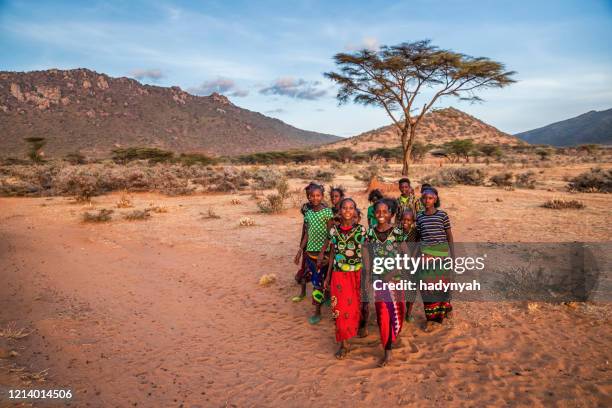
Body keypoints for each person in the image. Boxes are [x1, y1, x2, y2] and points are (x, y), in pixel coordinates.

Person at [364, 198, 407, 367]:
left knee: (398, 311)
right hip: (378, 281)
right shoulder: (370, 233)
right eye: (378, 212)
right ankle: (387, 351)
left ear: (391, 214)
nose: (381, 215)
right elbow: (366, 256)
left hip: (395, 280)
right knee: (383, 315)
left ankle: (393, 335)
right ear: (374, 214)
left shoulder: (397, 233)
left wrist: (393, 273)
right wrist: (367, 277)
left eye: (385, 212)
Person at [323, 198, 366, 359]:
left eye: (351, 208)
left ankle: (353, 333)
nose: (348, 211)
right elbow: (332, 253)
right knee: (339, 310)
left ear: (355, 211)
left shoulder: (362, 231)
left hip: (357, 274)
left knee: (354, 308)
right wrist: (328, 276)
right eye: (344, 208)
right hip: (339, 274)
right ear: (339, 210)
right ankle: (344, 344)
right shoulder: (334, 231)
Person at [415, 186, 454, 331]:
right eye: (424, 198)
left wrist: (453, 255)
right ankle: (431, 318)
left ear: (435, 199)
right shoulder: (419, 216)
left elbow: (449, 235)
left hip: (441, 254)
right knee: (427, 288)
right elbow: (418, 237)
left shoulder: (442, 215)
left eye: (430, 198)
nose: (427, 200)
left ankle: (442, 313)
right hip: (426, 256)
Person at [294, 184, 334, 324]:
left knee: (324, 281)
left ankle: (321, 305)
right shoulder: (308, 214)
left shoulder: (328, 212)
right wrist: (300, 251)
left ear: (322, 196)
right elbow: (307, 234)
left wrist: (323, 252)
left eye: (318, 195)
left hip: (325, 255)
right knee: (317, 283)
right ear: (308, 197)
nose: (315, 198)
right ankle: (317, 311)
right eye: (312, 195)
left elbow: (330, 235)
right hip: (310, 255)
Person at [293, 183, 320, 302]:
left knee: (320, 271)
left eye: (315, 194)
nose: (312, 197)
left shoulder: (324, 208)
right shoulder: (305, 208)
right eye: (309, 194)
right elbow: (306, 226)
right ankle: (303, 293)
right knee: (305, 267)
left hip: (319, 244)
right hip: (307, 241)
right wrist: (301, 246)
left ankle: (321, 296)